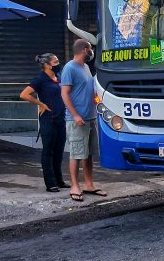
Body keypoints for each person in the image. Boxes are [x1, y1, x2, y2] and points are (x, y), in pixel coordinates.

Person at [60, 39, 105, 202]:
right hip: (76, 119)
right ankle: (74, 186)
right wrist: (76, 115)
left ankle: (89, 184)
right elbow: (64, 94)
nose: (92, 52)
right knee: (76, 154)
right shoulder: (69, 68)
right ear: (85, 50)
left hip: (90, 117)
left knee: (88, 154)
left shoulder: (85, 67)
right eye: (90, 49)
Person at [20, 54, 68, 192]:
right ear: (47, 65)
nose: (58, 63)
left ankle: (59, 180)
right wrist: (40, 104)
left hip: (61, 118)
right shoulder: (40, 79)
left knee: (59, 151)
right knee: (48, 151)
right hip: (49, 119)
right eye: (55, 61)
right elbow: (24, 94)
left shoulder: (58, 77)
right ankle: (50, 183)